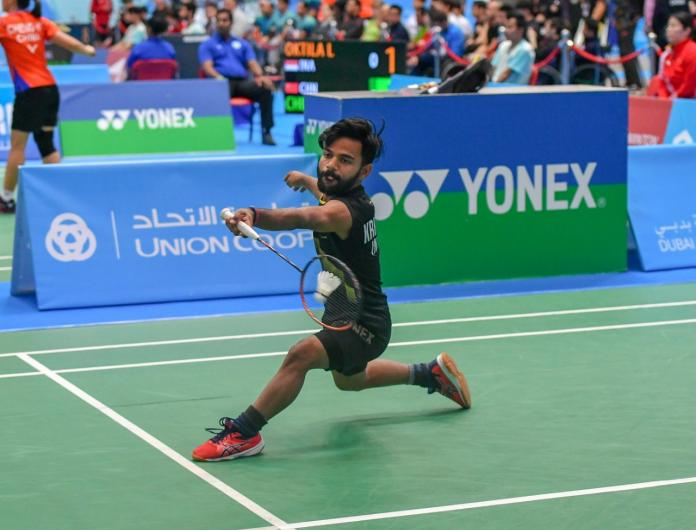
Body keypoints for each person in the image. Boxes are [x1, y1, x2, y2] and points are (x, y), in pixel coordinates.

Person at [191, 118, 472, 462]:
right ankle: (429, 373)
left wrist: (253, 214)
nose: (330, 165)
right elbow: (323, 192)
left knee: (302, 354)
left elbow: (303, 217)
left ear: (365, 171)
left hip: (363, 321)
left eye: (345, 160)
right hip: (344, 309)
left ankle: (244, 433)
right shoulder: (342, 194)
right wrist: (305, 179)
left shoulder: (342, 211)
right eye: (328, 155)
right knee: (350, 381)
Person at [0, 0, 95, 214]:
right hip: (50, 90)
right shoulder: (40, 21)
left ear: (13, 1)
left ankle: (6, 198)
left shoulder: (5, 24)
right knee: (46, 144)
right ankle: (62, 196)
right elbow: (68, 42)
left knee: (17, 147)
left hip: (29, 92)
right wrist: (88, 50)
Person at [198, 8, 277, 145]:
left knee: (265, 90)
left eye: (225, 20)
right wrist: (219, 77)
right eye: (219, 20)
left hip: (241, 82)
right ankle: (217, 134)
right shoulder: (208, 44)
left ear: (231, 22)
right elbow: (207, 67)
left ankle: (267, 132)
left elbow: (252, 63)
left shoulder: (242, 43)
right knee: (218, 94)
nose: (222, 23)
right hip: (222, 82)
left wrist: (261, 76)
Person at [647, 12, 696, 97]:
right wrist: (665, 100)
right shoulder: (667, 54)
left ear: (687, 30)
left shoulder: (692, 52)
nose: (669, 29)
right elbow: (662, 81)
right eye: (668, 26)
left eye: (673, 26)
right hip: (670, 102)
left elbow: (690, 84)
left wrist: (674, 99)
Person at [491, 11, 535, 84]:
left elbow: (505, 75)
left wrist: (490, 88)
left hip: (513, 91)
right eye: (506, 27)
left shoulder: (525, 49)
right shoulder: (503, 45)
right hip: (495, 86)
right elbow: (493, 67)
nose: (506, 31)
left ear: (520, 30)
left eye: (510, 27)